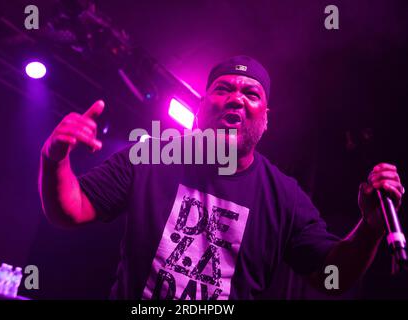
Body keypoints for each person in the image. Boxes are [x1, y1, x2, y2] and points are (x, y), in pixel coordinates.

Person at [39, 55, 404, 300]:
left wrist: (371, 227)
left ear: (265, 118)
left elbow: (332, 278)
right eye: (223, 89)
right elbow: (70, 210)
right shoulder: (151, 154)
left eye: (251, 93)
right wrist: (53, 160)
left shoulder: (284, 196)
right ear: (200, 107)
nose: (236, 99)